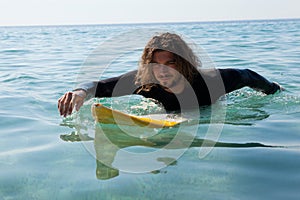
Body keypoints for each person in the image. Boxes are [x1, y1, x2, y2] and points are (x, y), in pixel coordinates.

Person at [58, 32, 283, 117]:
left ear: (184, 63)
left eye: (170, 63)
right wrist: (79, 92)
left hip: (210, 109)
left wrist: (273, 90)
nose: (161, 70)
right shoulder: (145, 82)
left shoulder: (212, 81)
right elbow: (99, 85)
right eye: (155, 64)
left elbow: (246, 75)